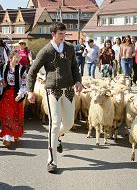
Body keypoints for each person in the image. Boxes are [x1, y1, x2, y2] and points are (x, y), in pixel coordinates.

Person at [27, 22, 82, 174]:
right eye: (60, 34)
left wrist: (78, 81)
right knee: (55, 123)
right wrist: (30, 91)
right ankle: (52, 161)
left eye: (64, 34)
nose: (63, 37)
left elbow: (75, 68)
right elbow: (32, 72)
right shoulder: (46, 51)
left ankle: (56, 137)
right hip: (52, 90)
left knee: (69, 123)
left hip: (69, 89)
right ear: (53, 34)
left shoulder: (70, 48)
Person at [0, 50, 27, 147]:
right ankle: (7, 137)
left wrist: (21, 93)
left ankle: (14, 134)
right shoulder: (3, 67)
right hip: (6, 95)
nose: (18, 59)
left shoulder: (22, 69)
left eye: (19, 57)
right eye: (16, 57)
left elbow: (24, 82)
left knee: (15, 116)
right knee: (7, 115)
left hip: (16, 95)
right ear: (10, 58)